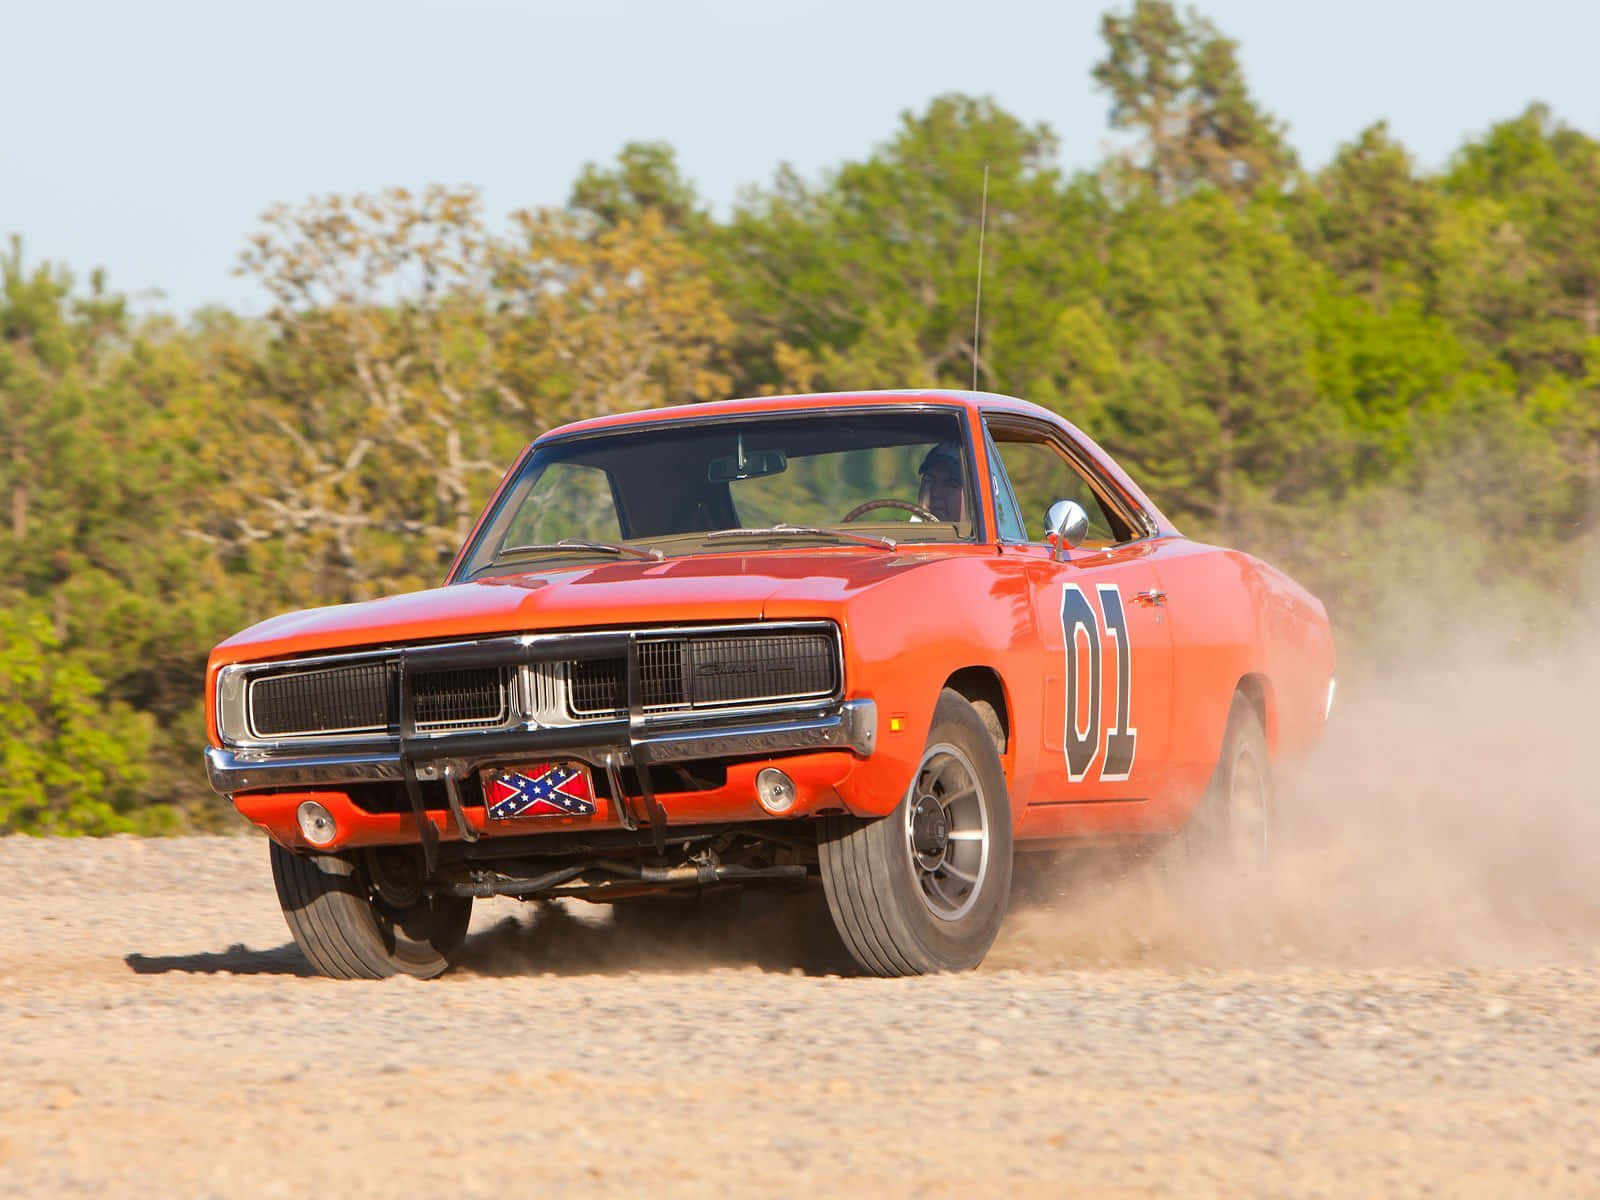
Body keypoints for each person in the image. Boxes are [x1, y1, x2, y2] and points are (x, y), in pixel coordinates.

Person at [916, 442, 967, 524]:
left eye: (951, 484)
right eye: (929, 481)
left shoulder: (987, 535)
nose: (936, 493)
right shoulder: (895, 535)